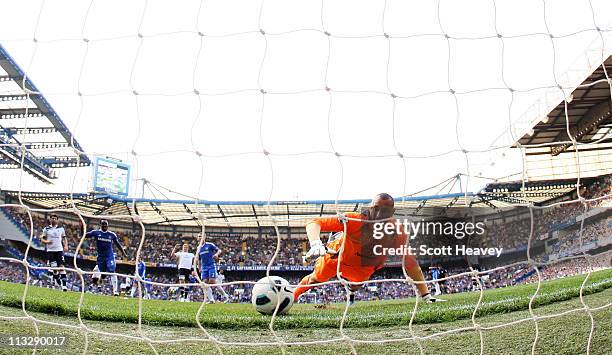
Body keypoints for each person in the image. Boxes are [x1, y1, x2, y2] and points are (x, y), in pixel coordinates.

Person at [294, 193, 445, 305]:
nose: (379, 215)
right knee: (315, 279)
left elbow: (411, 264)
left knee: (357, 284)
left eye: (384, 211)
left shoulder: (396, 231)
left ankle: (351, 292)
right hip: (337, 258)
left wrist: (426, 296)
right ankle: (291, 297)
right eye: (376, 209)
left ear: (392, 213)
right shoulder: (354, 220)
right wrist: (315, 243)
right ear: (370, 208)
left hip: (365, 267)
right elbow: (314, 222)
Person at [85, 219, 128, 296]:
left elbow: (117, 244)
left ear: (108, 226)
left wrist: (123, 253)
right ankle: (97, 283)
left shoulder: (111, 235)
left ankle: (115, 291)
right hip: (101, 257)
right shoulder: (96, 233)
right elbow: (85, 235)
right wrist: (83, 227)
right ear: (100, 225)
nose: (105, 226)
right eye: (103, 224)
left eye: (106, 225)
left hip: (109, 256)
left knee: (112, 270)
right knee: (101, 275)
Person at [40, 214, 68, 291]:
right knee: (54, 269)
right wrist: (46, 241)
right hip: (50, 251)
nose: (54, 219)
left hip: (59, 250)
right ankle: (57, 281)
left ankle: (64, 286)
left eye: (55, 218)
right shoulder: (46, 229)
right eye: (52, 218)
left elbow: (64, 238)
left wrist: (66, 246)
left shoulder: (61, 229)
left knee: (61, 267)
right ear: (50, 219)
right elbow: (41, 238)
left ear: (57, 220)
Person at [195, 235, 222, 304]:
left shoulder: (209, 245)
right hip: (204, 267)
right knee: (204, 283)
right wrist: (199, 267)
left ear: (204, 237)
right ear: (197, 238)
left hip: (211, 265)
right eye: (199, 236)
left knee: (212, 281)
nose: (200, 237)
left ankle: (225, 295)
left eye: (201, 236)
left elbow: (219, 250)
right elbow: (199, 259)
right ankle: (211, 300)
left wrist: (216, 254)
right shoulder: (198, 248)